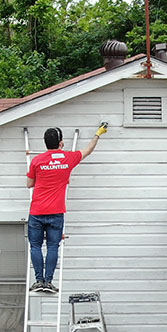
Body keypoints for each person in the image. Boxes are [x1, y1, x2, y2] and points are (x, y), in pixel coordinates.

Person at [26, 123, 107, 292]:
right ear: (61, 143)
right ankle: (48, 282)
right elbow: (88, 150)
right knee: (53, 247)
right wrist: (98, 134)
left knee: (35, 246)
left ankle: (39, 281)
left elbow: (29, 184)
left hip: (37, 211)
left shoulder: (37, 161)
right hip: (56, 212)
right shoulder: (67, 158)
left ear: (45, 143)